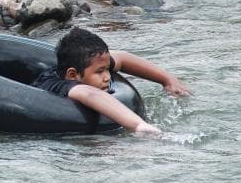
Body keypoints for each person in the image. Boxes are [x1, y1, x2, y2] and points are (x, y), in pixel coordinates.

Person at [31, 27, 190, 135]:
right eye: (100, 72)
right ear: (73, 75)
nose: (107, 76)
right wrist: (138, 125)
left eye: (107, 69)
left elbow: (122, 58)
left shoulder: (89, 65)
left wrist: (167, 80)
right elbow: (90, 94)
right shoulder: (57, 85)